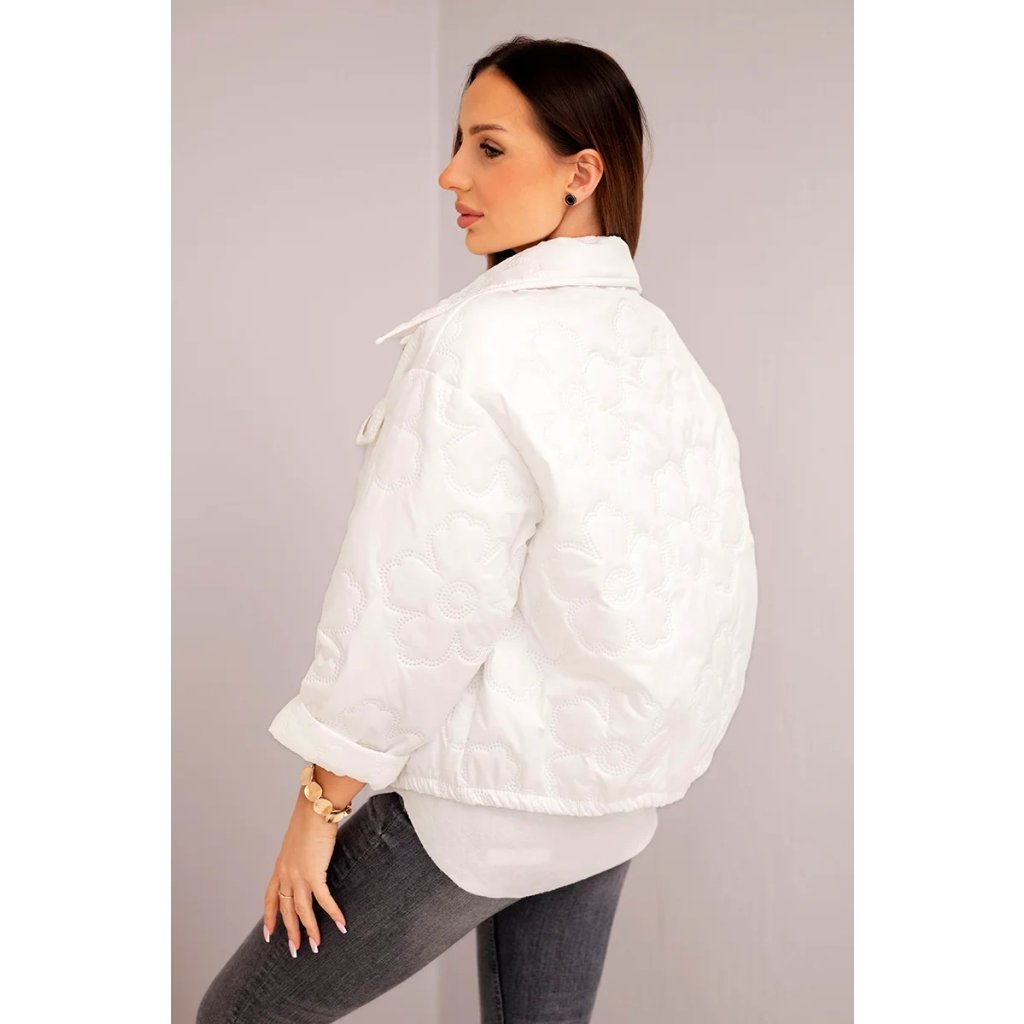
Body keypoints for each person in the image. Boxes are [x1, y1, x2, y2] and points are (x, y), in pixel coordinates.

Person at [197, 33, 758, 1024]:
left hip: (485, 804)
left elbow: (416, 603)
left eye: (489, 148)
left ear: (581, 173)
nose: (451, 174)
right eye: (459, 142)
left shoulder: (477, 344)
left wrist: (319, 808)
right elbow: (713, 580)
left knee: (242, 1015)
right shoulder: (656, 345)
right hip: (611, 797)